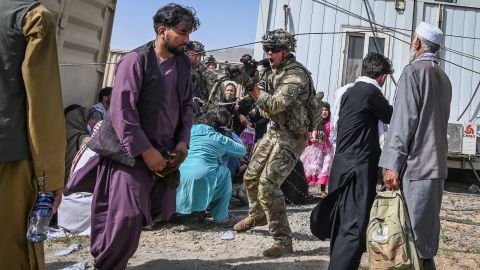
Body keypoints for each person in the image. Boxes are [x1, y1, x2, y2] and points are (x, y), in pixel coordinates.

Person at [65, 4, 198, 269]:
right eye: (182, 32)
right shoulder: (135, 61)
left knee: (156, 210)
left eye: (189, 33)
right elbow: (122, 112)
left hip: (163, 153)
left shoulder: (183, 63)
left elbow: (186, 106)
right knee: (125, 215)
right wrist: (146, 151)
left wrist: (183, 141)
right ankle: (107, 264)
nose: (187, 39)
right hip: (128, 154)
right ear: (162, 31)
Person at [232, 29, 313, 258]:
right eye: (267, 49)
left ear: (287, 51)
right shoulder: (272, 71)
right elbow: (258, 91)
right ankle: (257, 214)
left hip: (293, 135)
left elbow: (276, 104)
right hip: (275, 130)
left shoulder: (296, 75)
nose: (269, 53)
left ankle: (282, 240)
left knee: (268, 184)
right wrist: (245, 75)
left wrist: (249, 85)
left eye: (274, 49)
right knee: (251, 175)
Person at [379, 22, 452, 270]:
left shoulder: (414, 72)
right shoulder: (443, 76)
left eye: (413, 40)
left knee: (409, 237)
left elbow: (403, 122)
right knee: (425, 236)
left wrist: (391, 164)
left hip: (416, 167)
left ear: (418, 43)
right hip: (436, 166)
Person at [0, 1, 66, 269]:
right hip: (11, 158)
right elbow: (43, 102)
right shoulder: (34, 16)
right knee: (13, 251)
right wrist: (50, 177)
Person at [326, 53, 393, 270]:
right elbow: (393, 116)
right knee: (354, 228)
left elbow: (335, 130)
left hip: (340, 166)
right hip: (358, 169)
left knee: (340, 225)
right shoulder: (371, 92)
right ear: (382, 77)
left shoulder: (347, 92)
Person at [176, 109, 246, 226]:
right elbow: (242, 151)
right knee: (224, 172)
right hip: (204, 176)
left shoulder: (187, 133)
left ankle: (188, 212)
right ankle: (222, 218)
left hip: (179, 177)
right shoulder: (218, 137)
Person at [300, 102, 333, 196]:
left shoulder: (331, 123)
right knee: (310, 169)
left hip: (326, 149)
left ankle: (322, 190)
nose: (324, 112)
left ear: (329, 111)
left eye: (326, 110)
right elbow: (309, 134)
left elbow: (333, 136)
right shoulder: (315, 122)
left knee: (325, 168)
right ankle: (306, 190)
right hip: (314, 150)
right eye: (322, 110)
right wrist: (312, 139)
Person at [187, 40, 218, 118]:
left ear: (199, 55)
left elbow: (214, 99)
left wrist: (209, 117)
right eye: (187, 53)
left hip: (200, 115)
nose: (188, 56)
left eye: (191, 54)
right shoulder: (181, 69)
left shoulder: (209, 73)